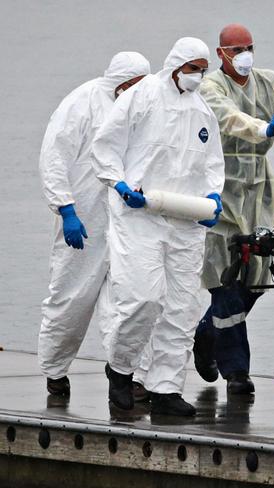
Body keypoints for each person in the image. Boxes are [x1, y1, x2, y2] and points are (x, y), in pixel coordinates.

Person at [91, 37, 225, 416]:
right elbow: (106, 145)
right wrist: (117, 183)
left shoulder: (202, 111)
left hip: (186, 220)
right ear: (175, 65)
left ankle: (166, 388)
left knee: (181, 308)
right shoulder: (143, 95)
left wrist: (213, 198)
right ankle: (120, 369)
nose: (198, 76)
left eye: (203, 70)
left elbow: (213, 164)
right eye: (193, 68)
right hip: (139, 215)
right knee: (144, 298)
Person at [193, 23, 274, 394]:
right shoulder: (210, 88)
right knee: (224, 279)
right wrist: (266, 128)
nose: (244, 55)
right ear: (221, 53)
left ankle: (207, 334)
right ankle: (236, 372)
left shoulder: (269, 82)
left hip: (258, 188)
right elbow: (229, 118)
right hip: (219, 189)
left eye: (249, 47)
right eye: (236, 48)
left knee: (256, 278)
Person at [38, 51, 151, 397]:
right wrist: (65, 208)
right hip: (85, 218)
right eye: (135, 85)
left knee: (129, 299)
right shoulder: (82, 102)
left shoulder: (141, 106)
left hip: (128, 218)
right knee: (71, 296)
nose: (140, 91)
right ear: (121, 82)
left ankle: (127, 373)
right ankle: (55, 369)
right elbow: (54, 155)